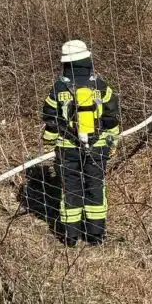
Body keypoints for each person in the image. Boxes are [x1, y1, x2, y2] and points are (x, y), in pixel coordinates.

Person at [41, 39, 120, 246]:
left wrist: (49, 143)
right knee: (95, 187)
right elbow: (111, 116)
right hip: (97, 147)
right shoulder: (101, 86)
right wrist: (112, 142)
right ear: (87, 60)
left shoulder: (58, 88)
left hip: (67, 149)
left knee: (70, 189)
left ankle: (71, 236)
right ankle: (95, 235)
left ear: (66, 63)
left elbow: (51, 120)